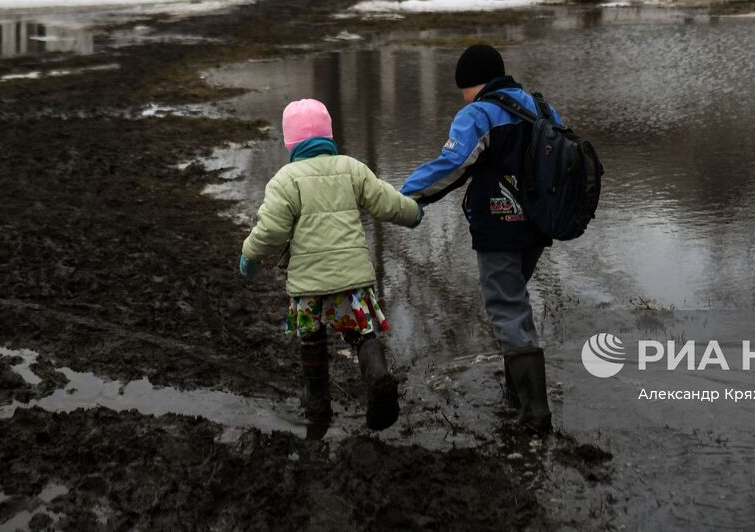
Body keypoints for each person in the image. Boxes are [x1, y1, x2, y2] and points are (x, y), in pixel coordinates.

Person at [238, 98, 423, 439]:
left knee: (312, 339)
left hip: (308, 286)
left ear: (290, 142)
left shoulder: (285, 180)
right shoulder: (351, 168)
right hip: (350, 279)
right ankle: (378, 375)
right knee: (358, 332)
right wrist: (413, 213)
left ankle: (318, 406)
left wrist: (250, 256)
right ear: (329, 135)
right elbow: (386, 202)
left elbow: (272, 231)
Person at [401, 43, 559, 433]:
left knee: (506, 308)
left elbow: (455, 164)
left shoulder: (479, 112)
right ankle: (515, 394)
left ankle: (535, 414)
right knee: (515, 304)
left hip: (500, 226)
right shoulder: (541, 107)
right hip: (538, 227)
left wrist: (405, 195)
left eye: (463, 88)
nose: (462, 96)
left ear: (474, 83)